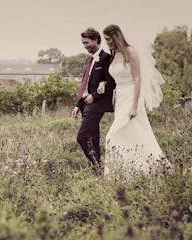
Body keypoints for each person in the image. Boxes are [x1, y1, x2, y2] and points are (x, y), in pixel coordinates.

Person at [101, 24, 170, 180]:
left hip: (132, 97)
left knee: (111, 136)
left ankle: (119, 174)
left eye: (108, 39)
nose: (107, 42)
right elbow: (114, 78)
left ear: (115, 36)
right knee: (132, 134)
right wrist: (103, 83)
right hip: (120, 98)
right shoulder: (114, 54)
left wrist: (134, 105)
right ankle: (131, 173)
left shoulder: (130, 51)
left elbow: (138, 79)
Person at [71, 27, 116, 175]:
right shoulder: (88, 60)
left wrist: (94, 96)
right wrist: (78, 104)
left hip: (98, 104)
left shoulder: (107, 58)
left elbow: (111, 84)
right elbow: (84, 83)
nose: (85, 46)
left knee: (82, 137)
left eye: (87, 42)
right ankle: (98, 171)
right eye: (83, 43)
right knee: (93, 138)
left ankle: (96, 167)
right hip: (86, 104)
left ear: (96, 40)